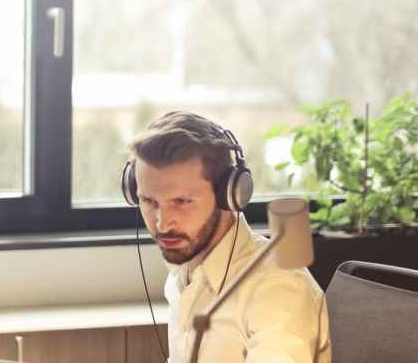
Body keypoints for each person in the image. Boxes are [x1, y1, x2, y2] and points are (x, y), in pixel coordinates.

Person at [125, 111, 331, 362]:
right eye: (148, 200)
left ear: (230, 195)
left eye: (182, 201)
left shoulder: (277, 289)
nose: (162, 222)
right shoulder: (185, 270)